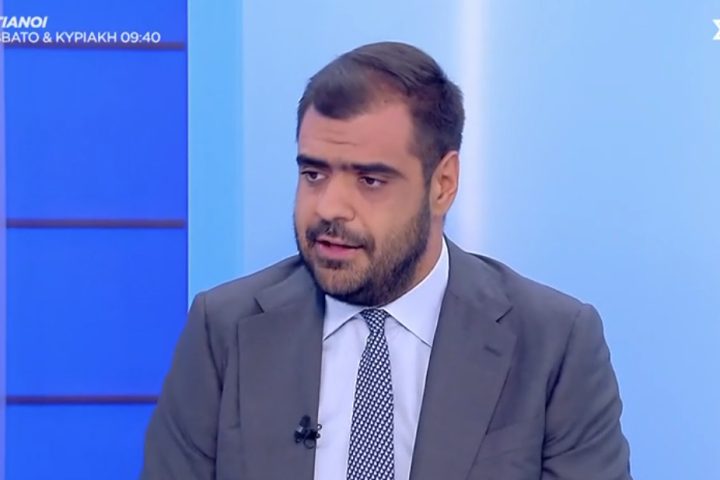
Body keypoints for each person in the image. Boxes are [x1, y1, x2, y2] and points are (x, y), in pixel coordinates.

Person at [142, 41, 632, 480]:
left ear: (442, 184)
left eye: (370, 180)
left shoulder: (553, 344)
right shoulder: (223, 329)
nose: (330, 207)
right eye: (313, 174)